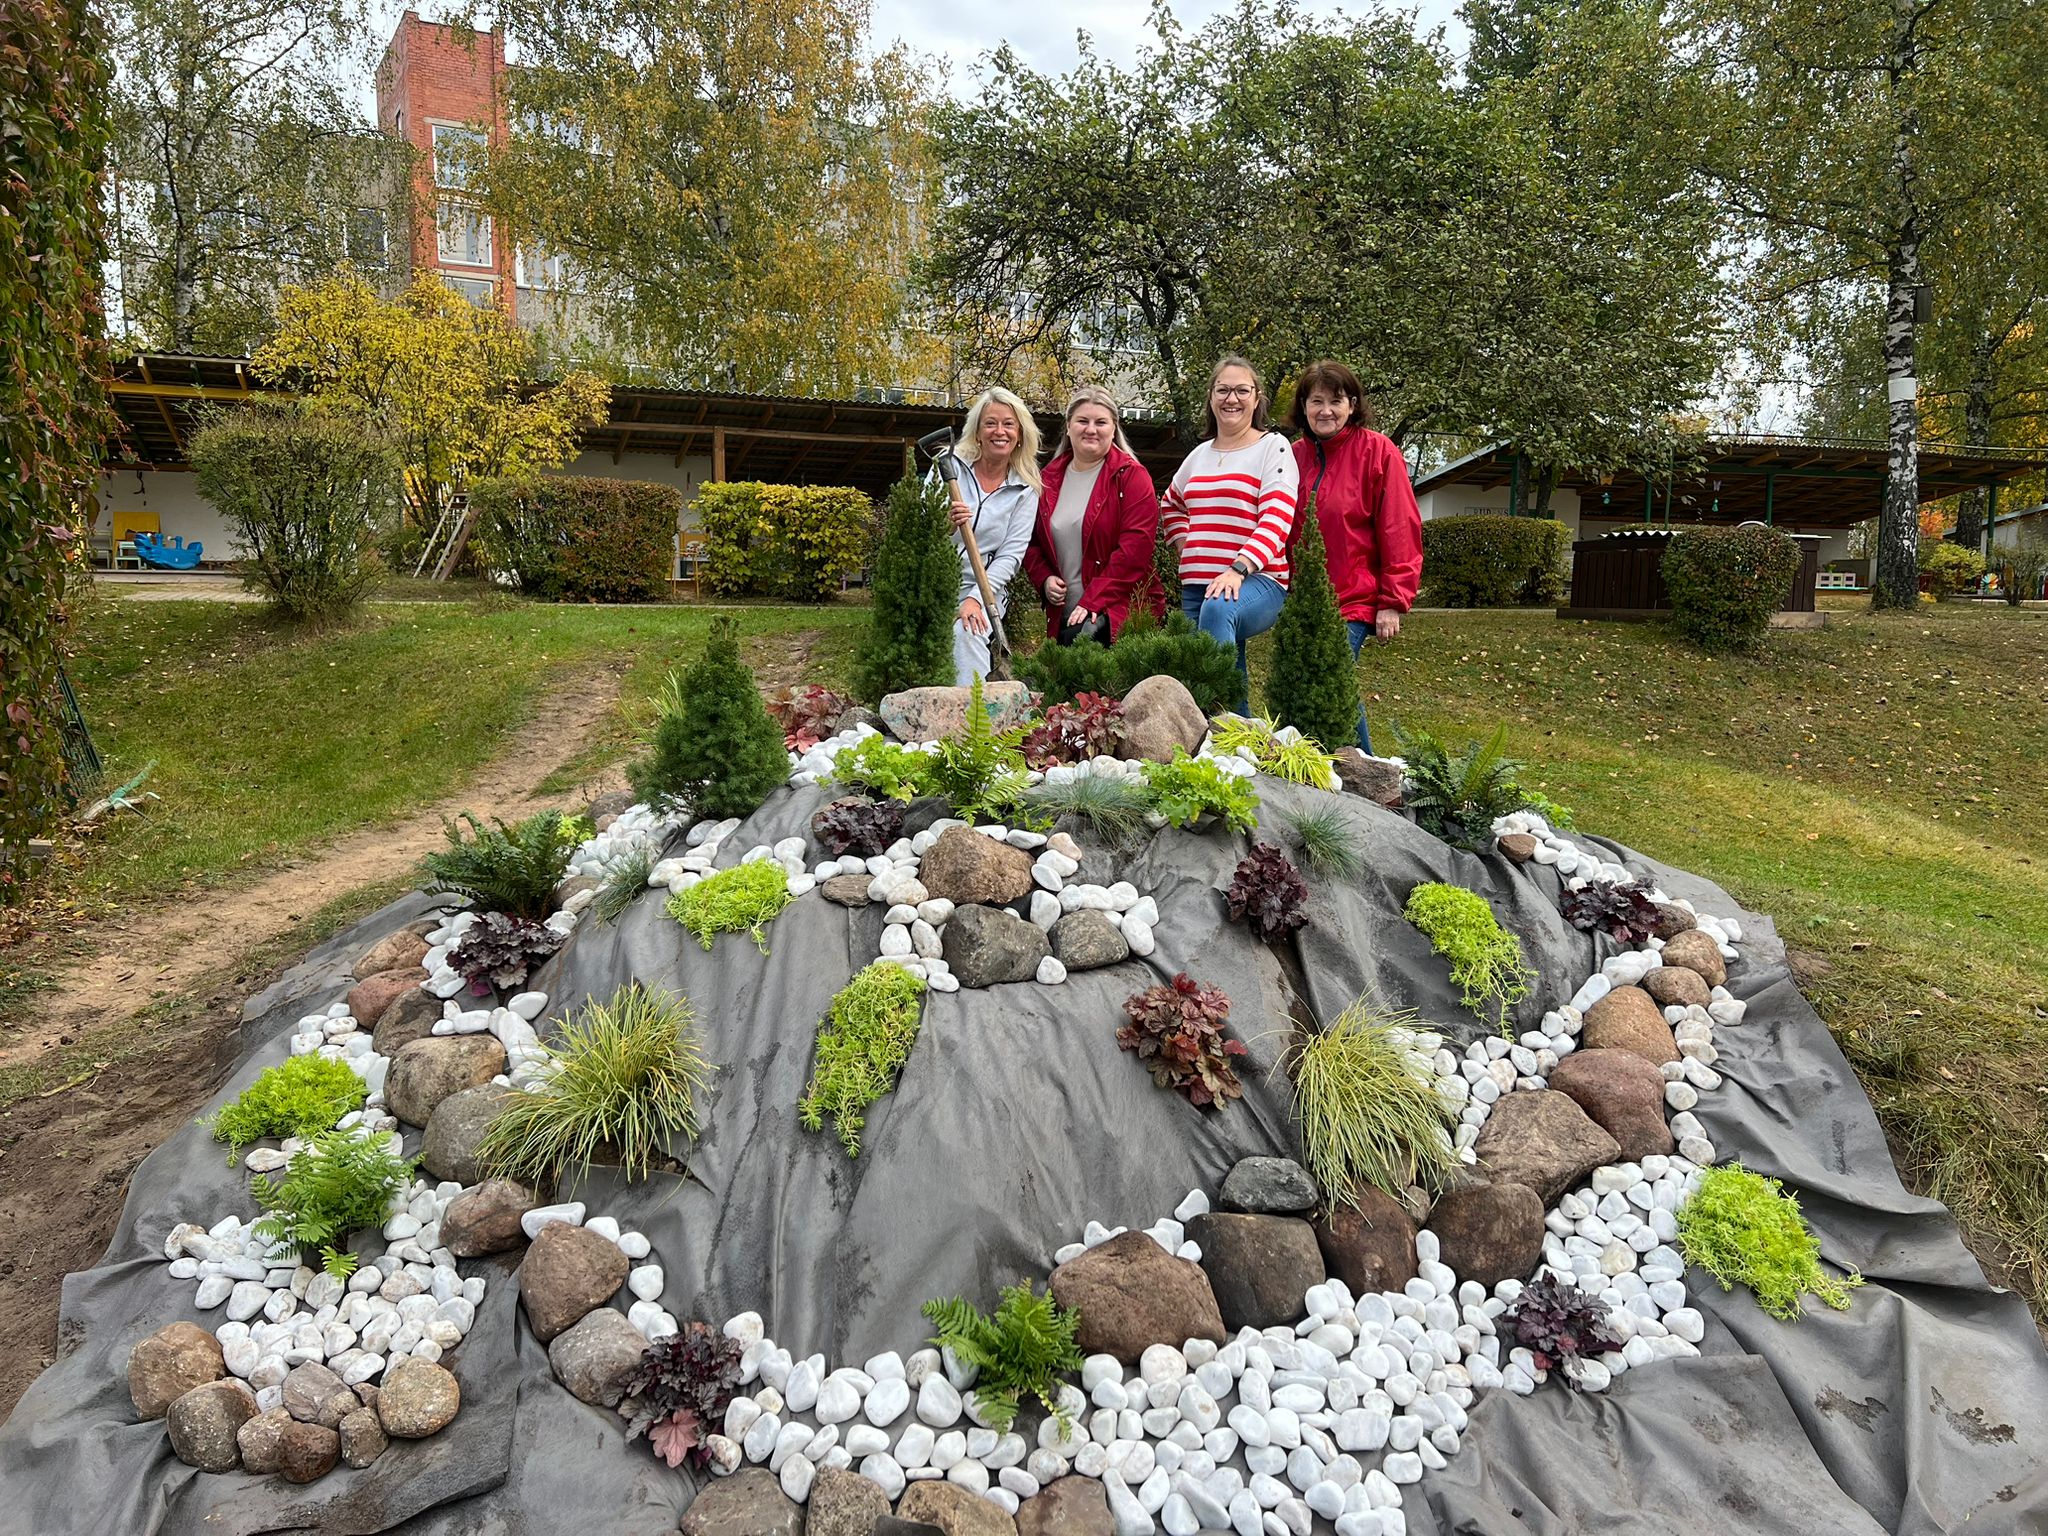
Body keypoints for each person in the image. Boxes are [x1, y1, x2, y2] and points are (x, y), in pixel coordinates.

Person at [1287, 359, 1423, 753]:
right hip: (1302, 599)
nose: (1325, 410)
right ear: (1303, 406)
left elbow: (1399, 526)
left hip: (1354, 597)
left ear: (1352, 405)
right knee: (1311, 687)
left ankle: (1368, 774)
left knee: (1333, 677)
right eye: (1316, 401)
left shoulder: (1378, 452)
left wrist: (1393, 602)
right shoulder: (1291, 456)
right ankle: (1330, 773)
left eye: (1336, 401)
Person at [1161, 356, 1300, 714]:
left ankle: (1227, 735)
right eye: (1222, 390)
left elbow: (1277, 517)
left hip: (1257, 581)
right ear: (1211, 397)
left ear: (1257, 399)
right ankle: (1237, 748)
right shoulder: (1198, 455)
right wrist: (1185, 544)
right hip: (1197, 586)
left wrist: (1237, 568)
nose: (1231, 399)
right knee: (1201, 677)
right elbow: (1170, 504)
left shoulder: (1273, 448)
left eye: (1242, 390)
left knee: (1219, 617)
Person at [1022, 386, 1162, 646]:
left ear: (1113, 428)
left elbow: (1135, 550)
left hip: (1116, 612)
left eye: (1100, 422)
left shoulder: (1132, 477)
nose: (1091, 429)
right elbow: (1029, 543)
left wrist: (1093, 600)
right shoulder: (1047, 480)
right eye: (1083, 421)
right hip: (1065, 614)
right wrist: (1044, 578)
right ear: (1068, 426)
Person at [943, 386, 1042, 685]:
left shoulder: (1026, 489)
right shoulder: (949, 469)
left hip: (985, 587)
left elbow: (1011, 556)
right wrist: (944, 525)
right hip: (937, 580)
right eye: (990, 423)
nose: (1000, 431)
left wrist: (975, 599)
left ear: (1020, 434)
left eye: (1008, 424)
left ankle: (973, 720)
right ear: (977, 432)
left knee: (968, 631)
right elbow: (919, 532)